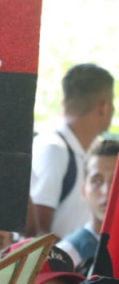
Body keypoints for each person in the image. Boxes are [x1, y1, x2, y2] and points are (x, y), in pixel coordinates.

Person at [30, 63, 114, 238]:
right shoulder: (54, 149)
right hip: (63, 264)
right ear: (104, 106)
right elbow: (37, 232)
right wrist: (73, 254)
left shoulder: (92, 151)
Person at [56, 137, 119, 270]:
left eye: (115, 181)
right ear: (84, 191)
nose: (107, 191)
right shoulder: (67, 256)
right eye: (97, 181)